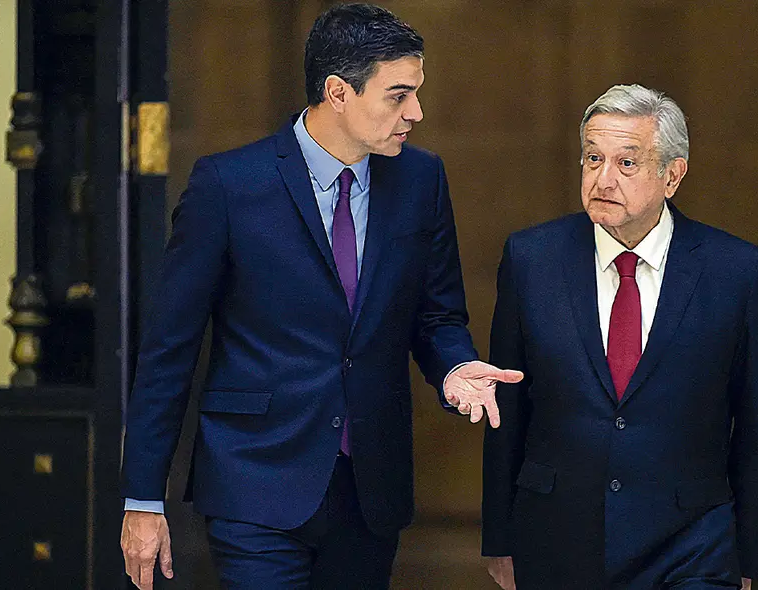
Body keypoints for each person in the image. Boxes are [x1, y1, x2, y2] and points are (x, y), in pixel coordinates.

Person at [119, 4, 521, 588]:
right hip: (253, 481)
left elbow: (436, 314)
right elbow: (168, 349)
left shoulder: (421, 179)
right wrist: (143, 498)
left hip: (369, 490)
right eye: (398, 96)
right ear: (338, 92)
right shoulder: (229, 185)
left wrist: (455, 366)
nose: (417, 113)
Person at [481, 84, 758, 589]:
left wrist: (748, 559)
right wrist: (498, 537)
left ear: (672, 175)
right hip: (557, 536)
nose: (603, 178)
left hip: (691, 544)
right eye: (592, 158)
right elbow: (506, 407)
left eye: (626, 164)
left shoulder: (738, 271)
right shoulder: (532, 259)